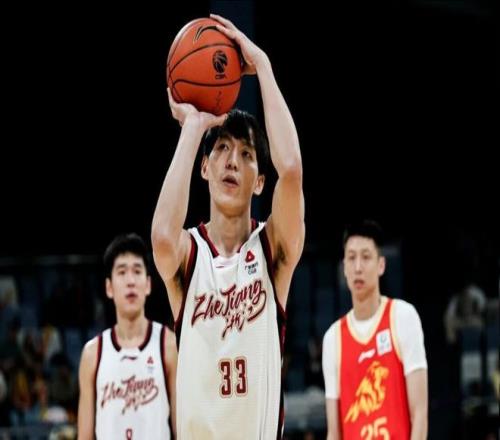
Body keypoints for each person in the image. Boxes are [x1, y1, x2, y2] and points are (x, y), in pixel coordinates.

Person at [152, 13, 304, 440]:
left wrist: (264, 67)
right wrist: (193, 128)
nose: (232, 161)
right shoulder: (190, 254)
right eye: (221, 149)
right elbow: (161, 237)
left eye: (246, 154)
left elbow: (292, 170)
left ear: (260, 181)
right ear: (204, 168)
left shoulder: (272, 249)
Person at [322, 220, 428, 439]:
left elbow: (419, 414)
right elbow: (334, 432)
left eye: (366, 257)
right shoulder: (333, 338)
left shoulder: (403, 316)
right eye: (351, 258)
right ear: (344, 267)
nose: (358, 267)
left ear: (381, 265)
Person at [78, 233, 177, 439]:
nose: (130, 281)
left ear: (148, 284)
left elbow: (182, 429)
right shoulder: (92, 354)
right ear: (109, 287)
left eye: (137, 271)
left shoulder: (167, 345)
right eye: (122, 272)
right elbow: (84, 436)